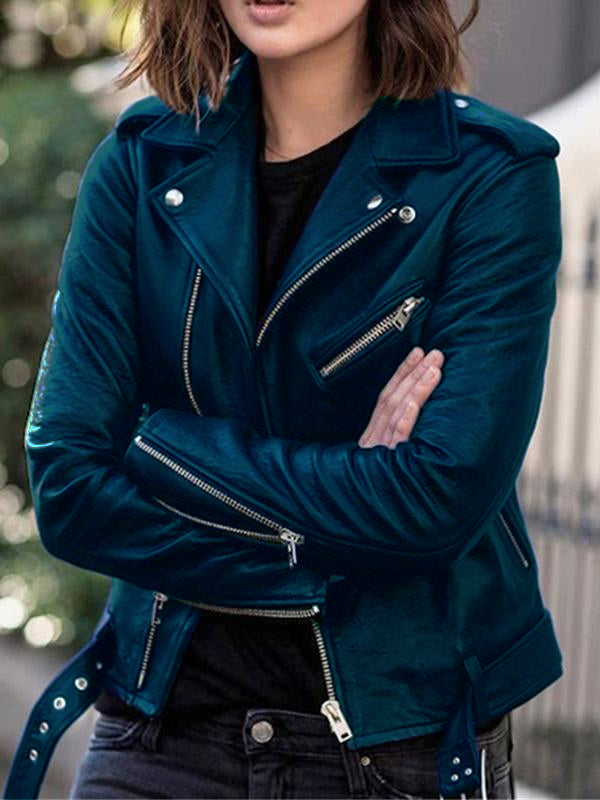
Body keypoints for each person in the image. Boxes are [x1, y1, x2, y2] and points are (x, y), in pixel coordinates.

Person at [3, 0, 565, 798]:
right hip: (160, 732)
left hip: (394, 749)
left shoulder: (490, 175)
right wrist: (345, 527)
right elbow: (69, 486)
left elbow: (435, 501)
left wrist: (162, 448)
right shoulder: (142, 162)